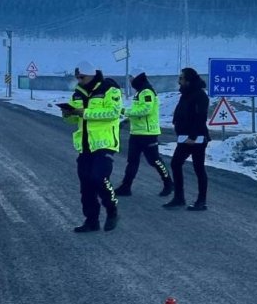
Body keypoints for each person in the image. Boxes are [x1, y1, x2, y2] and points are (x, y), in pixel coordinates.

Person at [62, 63, 123, 233]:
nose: (79, 81)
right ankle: (91, 220)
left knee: (99, 177)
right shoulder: (77, 94)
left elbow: (113, 113)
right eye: (77, 78)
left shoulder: (110, 89)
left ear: (91, 75)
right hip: (85, 145)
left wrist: (85, 113)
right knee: (86, 185)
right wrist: (68, 114)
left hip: (104, 143)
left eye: (82, 77)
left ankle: (112, 210)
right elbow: (74, 120)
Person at [117, 72, 173, 197]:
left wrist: (124, 111)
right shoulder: (140, 92)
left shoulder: (147, 92)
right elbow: (138, 111)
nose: (130, 81)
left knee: (155, 160)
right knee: (132, 161)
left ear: (138, 78)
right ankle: (126, 187)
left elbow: (145, 110)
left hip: (148, 134)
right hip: (137, 133)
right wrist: (126, 121)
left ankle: (169, 183)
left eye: (131, 78)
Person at [164, 67, 210, 211]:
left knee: (199, 168)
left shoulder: (200, 96)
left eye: (181, 78)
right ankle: (179, 198)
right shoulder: (186, 94)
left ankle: (201, 201)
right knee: (175, 164)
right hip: (184, 137)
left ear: (188, 80)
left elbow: (200, 118)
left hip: (196, 138)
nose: (179, 81)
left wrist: (193, 137)